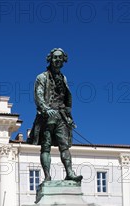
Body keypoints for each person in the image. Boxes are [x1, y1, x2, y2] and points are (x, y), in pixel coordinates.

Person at [27, 48, 82, 184]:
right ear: (50, 59)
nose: (57, 60)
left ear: (64, 61)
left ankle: (69, 173)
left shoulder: (63, 78)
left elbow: (65, 99)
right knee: (46, 146)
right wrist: (45, 109)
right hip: (47, 117)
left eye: (60, 58)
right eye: (55, 57)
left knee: (65, 146)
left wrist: (69, 117)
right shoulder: (42, 77)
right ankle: (47, 176)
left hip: (61, 115)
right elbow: (38, 95)